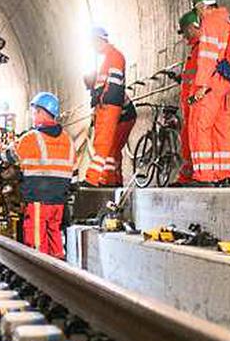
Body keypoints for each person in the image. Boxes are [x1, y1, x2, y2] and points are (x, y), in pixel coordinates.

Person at [11, 92, 75, 258]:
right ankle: (59, 276)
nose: (33, 116)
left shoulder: (32, 138)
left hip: (38, 202)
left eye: (34, 112)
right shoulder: (68, 140)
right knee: (55, 243)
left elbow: (8, 156)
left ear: (40, 112)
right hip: (59, 203)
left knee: (37, 247)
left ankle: (39, 280)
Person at [185, 0, 230, 185]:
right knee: (224, 128)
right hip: (229, 83)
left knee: (201, 126)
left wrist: (201, 86)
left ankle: (205, 175)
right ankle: (225, 175)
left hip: (212, 82)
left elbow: (207, 57)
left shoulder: (210, 21)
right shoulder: (228, 19)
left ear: (201, 6)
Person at [83, 27, 136, 186]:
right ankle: (112, 180)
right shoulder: (108, 59)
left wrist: (103, 104)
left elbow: (114, 87)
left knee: (105, 144)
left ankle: (94, 179)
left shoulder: (114, 57)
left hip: (119, 113)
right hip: (116, 111)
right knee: (111, 149)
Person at [175, 11, 201, 185]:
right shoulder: (194, 50)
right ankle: (186, 176)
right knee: (187, 140)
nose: (184, 36)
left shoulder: (202, 49)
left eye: (185, 31)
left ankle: (199, 176)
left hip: (197, 104)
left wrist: (193, 101)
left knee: (196, 139)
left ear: (192, 27)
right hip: (189, 105)